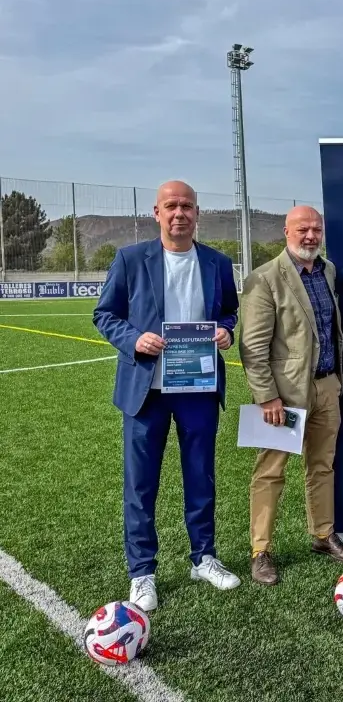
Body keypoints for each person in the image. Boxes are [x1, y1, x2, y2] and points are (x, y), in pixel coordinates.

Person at [92, 180, 242, 612]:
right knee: (141, 485)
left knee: (201, 476)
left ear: (197, 213)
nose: (180, 213)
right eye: (171, 206)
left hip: (197, 386)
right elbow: (105, 314)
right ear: (157, 213)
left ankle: (204, 558)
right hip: (146, 392)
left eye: (187, 206)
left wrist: (226, 331)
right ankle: (142, 572)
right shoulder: (130, 259)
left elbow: (229, 311)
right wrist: (134, 339)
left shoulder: (217, 262)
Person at [238, 205, 343, 586]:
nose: (310, 236)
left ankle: (323, 534)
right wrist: (267, 397)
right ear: (286, 231)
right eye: (303, 229)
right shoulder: (264, 278)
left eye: (316, 229)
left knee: (322, 465)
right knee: (270, 472)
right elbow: (252, 347)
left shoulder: (328, 271)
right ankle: (261, 551)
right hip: (283, 396)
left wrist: (334, 382)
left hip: (327, 386)